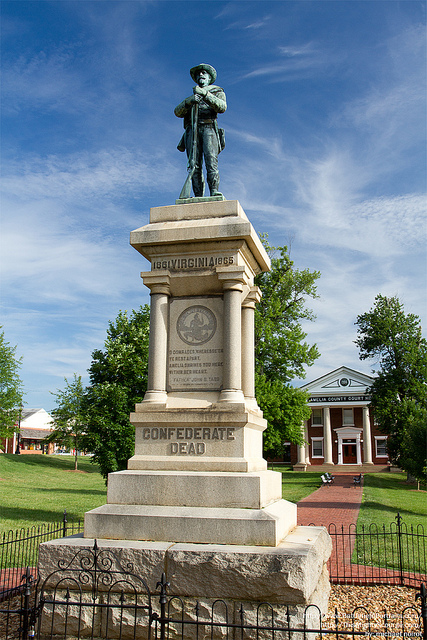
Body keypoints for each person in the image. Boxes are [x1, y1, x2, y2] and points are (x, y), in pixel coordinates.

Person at [175, 63, 226, 197]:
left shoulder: (217, 92)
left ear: (209, 78)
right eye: (199, 73)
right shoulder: (191, 98)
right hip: (193, 131)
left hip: (209, 127)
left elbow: (222, 107)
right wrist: (189, 101)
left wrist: (205, 95)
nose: (201, 75)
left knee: (211, 161)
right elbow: (177, 112)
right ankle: (198, 195)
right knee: (194, 165)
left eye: (204, 73)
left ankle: (214, 191)